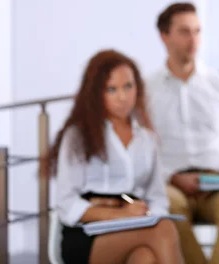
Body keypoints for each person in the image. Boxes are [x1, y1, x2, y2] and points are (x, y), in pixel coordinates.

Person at [46, 50, 184, 264]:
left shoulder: (147, 137)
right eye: (112, 89)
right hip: (87, 235)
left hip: (135, 224)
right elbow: (66, 203)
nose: (123, 97)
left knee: (145, 258)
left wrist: (146, 213)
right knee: (163, 229)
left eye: (128, 86)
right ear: (96, 94)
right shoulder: (78, 136)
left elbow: (157, 197)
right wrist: (122, 215)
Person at [147, 2, 219, 264]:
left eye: (197, 31)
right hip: (171, 183)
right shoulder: (147, 90)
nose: (193, 39)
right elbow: (141, 149)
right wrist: (171, 177)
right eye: (184, 31)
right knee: (169, 205)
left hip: (217, 182)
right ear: (164, 36)